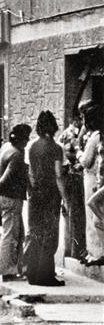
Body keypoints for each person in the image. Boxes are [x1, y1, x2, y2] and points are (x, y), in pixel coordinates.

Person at [24, 110, 70, 286]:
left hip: (35, 195)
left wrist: (34, 190)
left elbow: (30, 173)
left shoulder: (31, 146)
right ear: (54, 127)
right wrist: (65, 199)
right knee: (49, 235)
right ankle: (45, 276)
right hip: (51, 195)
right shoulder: (57, 148)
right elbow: (58, 175)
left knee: (35, 232)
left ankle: (32, 274)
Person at [0, 123, 31, 281]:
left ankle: (18, 268)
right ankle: (7, 271)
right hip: (10, 197)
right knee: (11, 235)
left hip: (3, 197)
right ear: (23, 139)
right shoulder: (17, 154)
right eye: (27, 138)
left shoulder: (5, 148)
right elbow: (8, 176)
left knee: (17, 234)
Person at [59, 113, 88, 262]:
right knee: (73, 214)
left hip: (76, 177)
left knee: (75, 214)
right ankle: (73, 250)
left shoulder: (81, 132)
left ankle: (73, 249)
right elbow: (66, 153)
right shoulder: (70, 134)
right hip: (72, 178)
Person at [80, 107, 104, 266]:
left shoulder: (95, 137)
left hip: (92, 178)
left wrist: (78, 153)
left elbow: (86, 161)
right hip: (96, 177)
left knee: (93, 216)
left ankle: (96, 252)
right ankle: (94, 252)